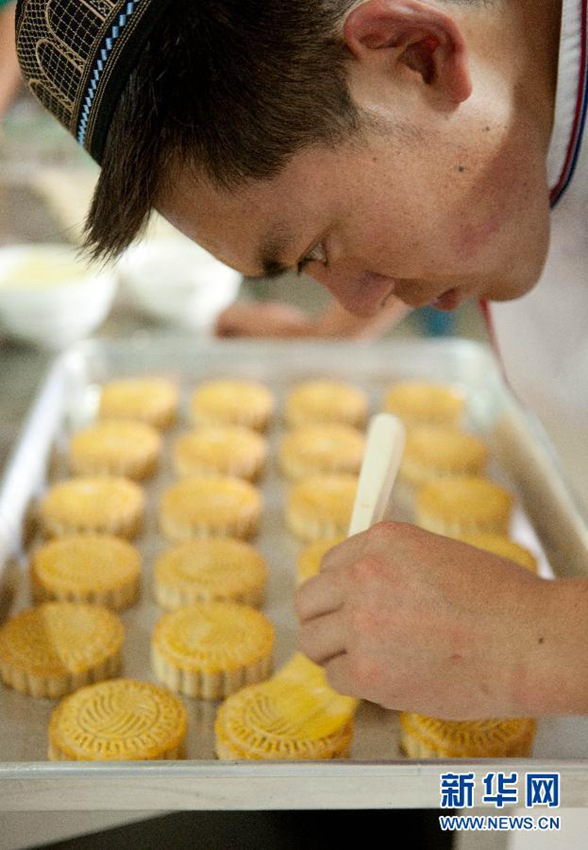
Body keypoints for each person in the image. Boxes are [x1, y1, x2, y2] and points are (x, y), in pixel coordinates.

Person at [14, 0, 588, 721]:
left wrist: (530, 642)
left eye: (320, 247)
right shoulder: (507, 111)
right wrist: (335, 339)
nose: (355, 297)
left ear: (417, 53)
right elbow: (440, 156)